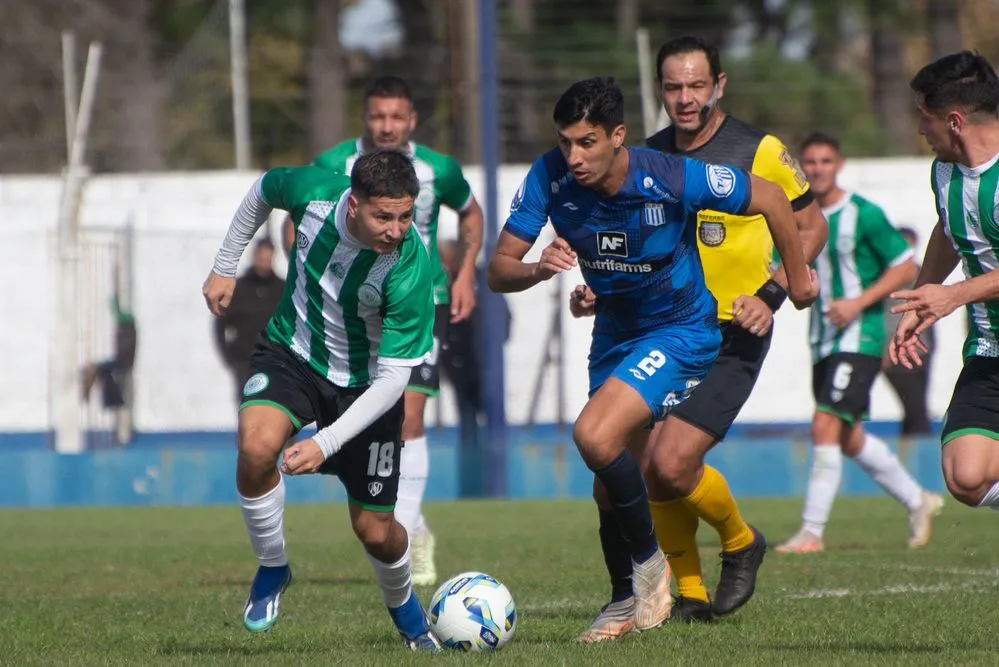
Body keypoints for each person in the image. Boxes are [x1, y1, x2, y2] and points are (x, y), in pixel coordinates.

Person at [487, 77, 817, 636]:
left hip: (682, 330)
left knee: (594, 436)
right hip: (616, 333)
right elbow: (498, 269)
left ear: (618, 136)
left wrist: (797, 281)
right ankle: (624, 601)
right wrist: (538, 267)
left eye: (587, 142)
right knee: (605, 483)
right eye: (566, 142)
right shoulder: (549, 175)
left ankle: (651, 571)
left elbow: (772, 198)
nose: (574, 156)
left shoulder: (665, 174)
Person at [570, 36, 829, 640]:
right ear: (658, 91)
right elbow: (628, 249)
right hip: (656, 329)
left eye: (695, 86)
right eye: (672, 87)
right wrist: (598, 292)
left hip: (732, 328)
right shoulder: (643, 157)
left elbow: (809, 225)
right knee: (637, 470)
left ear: (720, 85)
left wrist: (773, 295)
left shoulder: (759, 149)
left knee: (672, 459)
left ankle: (742, 543)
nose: (684, 99)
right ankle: (685, 594)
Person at [202, 150, 440, 651]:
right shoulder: (315, 194)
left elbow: (396, 380)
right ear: (354, 205)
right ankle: (273, 566)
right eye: (384, 216)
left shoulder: (410, 268)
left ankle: (407, 613)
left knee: (376, 532)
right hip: (292, 353)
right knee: (255, 448)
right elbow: (264, 190)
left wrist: (325, 443)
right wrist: (225, 265)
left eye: (405, 215)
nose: (397, 229)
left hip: (366, 387)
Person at [287, 75, 484, 586]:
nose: (387, 125)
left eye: (397, 116)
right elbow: (295, 214)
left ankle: (410, 531)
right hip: (350, 312)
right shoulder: (334, 165)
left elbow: (471, 213)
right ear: (365, 118)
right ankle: (400, 524)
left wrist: (465, 272)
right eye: (378, 116)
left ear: (412, 119)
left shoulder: (438, 169)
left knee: (409, 415)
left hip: (421, 303)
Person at [776, 132, 944, 555]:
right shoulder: (797, 220)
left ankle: (811, 532)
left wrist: (858, 303)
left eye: (824, 161)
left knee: (824, 423)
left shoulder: (863, 214)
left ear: (839, 165)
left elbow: (905, 267)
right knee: (846, 435)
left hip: (861, 336)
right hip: (822, 339)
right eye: (810, 162)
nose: (816, 169)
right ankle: (917, 499)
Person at [890, 51, 999, 514]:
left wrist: (953, 295)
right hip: (991, 346)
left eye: (925, 118)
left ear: (954, 120)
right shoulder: (945, 172)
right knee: (965, 476)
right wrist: (921, 297)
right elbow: (950, 230)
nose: (921, 130)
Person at [213, 238, 285, 403]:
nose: (264, 262)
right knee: (248, 405)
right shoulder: (238, 288)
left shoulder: (282, 289)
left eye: (268, 258)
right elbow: (221, 323)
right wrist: (229, 356)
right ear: (255, 256)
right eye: (262, 257)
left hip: (275, 361)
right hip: (245, 360)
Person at [883, 227, 934, 436]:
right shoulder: (885, 278)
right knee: (915, 410)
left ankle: (915, 455)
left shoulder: (923, 274)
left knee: (915, 410)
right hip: (897, 350)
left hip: (920, 350)